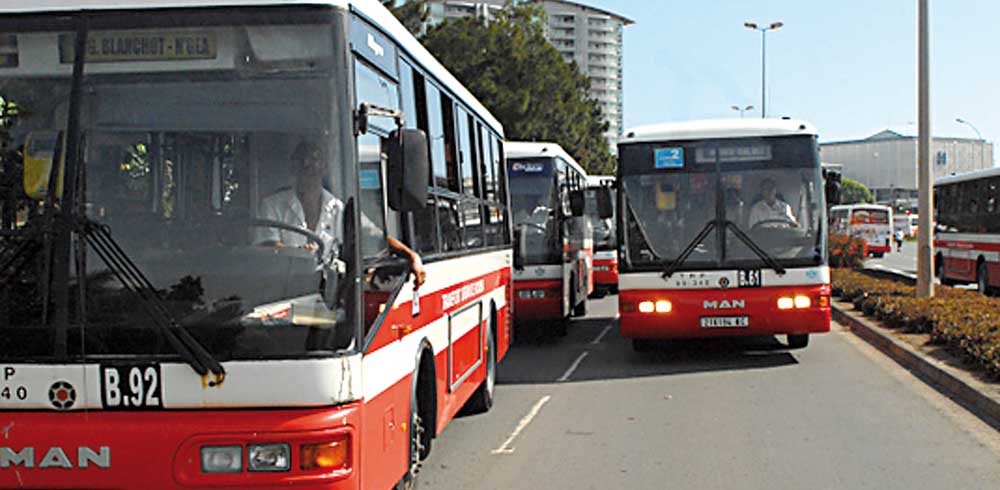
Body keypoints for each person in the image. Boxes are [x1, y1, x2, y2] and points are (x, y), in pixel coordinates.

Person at [257, 141, 426, 288]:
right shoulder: (272, 205)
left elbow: (375, 236)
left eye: (314, 162)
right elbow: (267, 247)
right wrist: (298, 254)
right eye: (302, 163)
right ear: (293, 168)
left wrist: (411, 255)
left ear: (323, 168)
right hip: (282, 290)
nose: (308, 167)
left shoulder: (338, 208)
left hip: (327, 293)